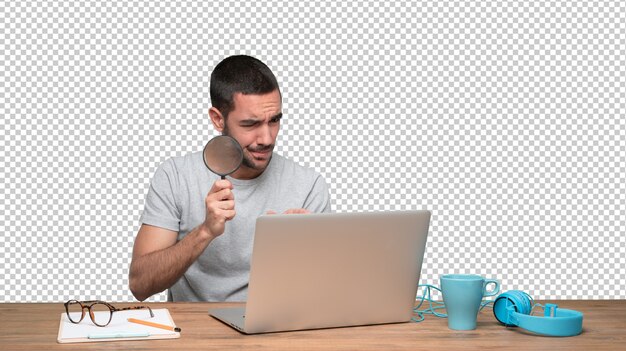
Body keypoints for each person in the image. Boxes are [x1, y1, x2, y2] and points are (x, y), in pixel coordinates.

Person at [128, 55, 332, 302]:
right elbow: (140, 285)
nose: (267, 138)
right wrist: (205, 231)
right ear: (217, 119)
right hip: (194, 332)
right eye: (250, 124)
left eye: (274, 120)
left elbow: (322, 297)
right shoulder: (175, 176)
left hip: (272, 329)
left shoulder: (309, 186)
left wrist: (308, 251)